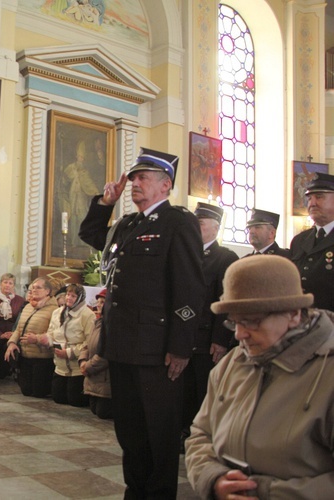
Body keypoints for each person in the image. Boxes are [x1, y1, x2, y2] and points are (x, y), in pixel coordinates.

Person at [79, 147, 205, 499]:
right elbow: (91, 235)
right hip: (122, 345)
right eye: (133, 178)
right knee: (130, 432)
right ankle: (136, 492)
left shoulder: (178, 222)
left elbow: (189, 287)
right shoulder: (127, 224)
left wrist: (180, 347)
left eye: (143, 178)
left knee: (159, 433)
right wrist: (105, 204)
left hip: (156, 349)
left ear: (165, 185)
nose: (135, 183)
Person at [185, 255, 334, 499]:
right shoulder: (232, 363)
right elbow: (201, 433)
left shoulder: (327, 372)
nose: (241, 334)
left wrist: (263, 492)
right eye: (234, 322)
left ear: (294, 314)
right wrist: (213, 477)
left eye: (252, 321)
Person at [181, 203, 238, 450]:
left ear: (215, 228)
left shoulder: (225, 257)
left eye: (201, 224)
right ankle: (183, 431)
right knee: (183, 390)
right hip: (183, 336)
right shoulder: (185, 254)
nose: (196, 228)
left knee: (203, 390)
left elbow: (225, 301)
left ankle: (202, 437)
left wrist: (220, 339)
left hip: (206, 339)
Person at [5, 277, 58, 398]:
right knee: (26, 391)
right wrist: (12, 343)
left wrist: (38, 339)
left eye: (38, 287)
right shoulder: (28, 306)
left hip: (42, 357)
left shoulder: (54, 309)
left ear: (47, 291)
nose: (34, 290)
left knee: (39, 393)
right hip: (25, 356)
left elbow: (55, 333)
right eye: (33, 287)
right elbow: (19, 328)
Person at [43, 284, 95, 407]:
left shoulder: (87, 315)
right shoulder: (57, 312)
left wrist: (70, 352)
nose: (69, 298)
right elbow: (51, 332)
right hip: (60, 365)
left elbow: (89, 341)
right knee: (58, 398)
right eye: (67, 294)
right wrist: (48, 340)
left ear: (80, 298)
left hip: (77, 367)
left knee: (76, 401)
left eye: (73, 296)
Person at [290, 173, 334, 311]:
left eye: (319, 197)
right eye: (309, 198)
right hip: (301, 322)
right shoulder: (299, 240)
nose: (312, 203)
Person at [79, 304, 112, 419]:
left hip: (104, 377)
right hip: (92, 375)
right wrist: (82, 361)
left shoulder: (113, 326)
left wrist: (88, 366)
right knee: (94, 410)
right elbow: (86, 344)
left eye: (103, 302)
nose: (98, 305)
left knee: (102, 412)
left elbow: (107, 354)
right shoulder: (96, 323)